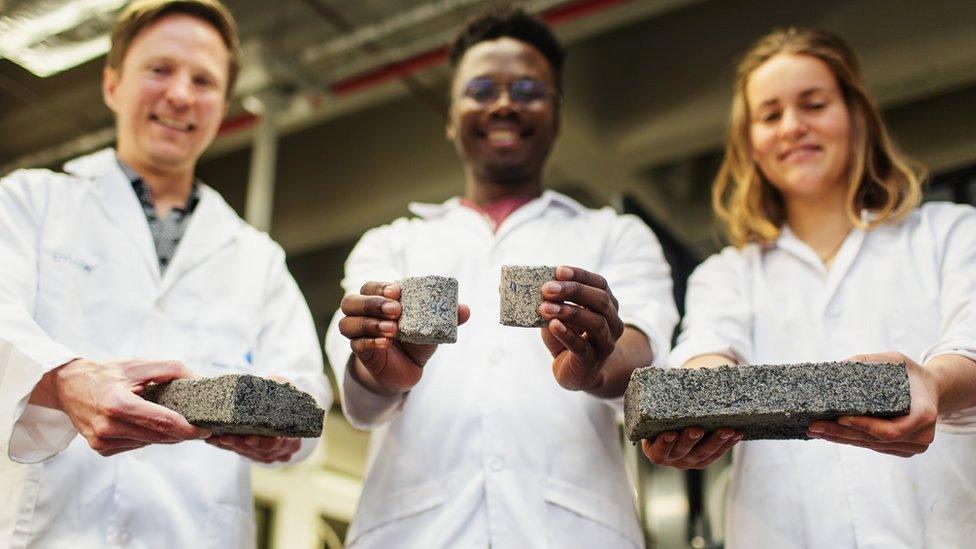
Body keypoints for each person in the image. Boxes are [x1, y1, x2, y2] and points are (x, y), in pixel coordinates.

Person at [325, 7, 677, 548]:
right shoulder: (391, 242)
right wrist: (383, 367)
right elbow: (365, 390)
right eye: (482, 89)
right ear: (451, 115)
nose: (506, 104)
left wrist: (598, 359)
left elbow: (644, 349)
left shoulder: (617, 235)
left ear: (557, 115)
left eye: (530, 90)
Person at [0, 1, 331, 546]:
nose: (180, 94)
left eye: (203, 80)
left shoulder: (257, 259)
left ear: (222, 105)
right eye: (159, 70)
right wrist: (63, 381)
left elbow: (310, 392)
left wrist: (280, 431)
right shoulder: (33, 202)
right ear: (112, 84)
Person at [642, 27, 976, 547]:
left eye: (814, 104)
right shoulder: (727, 273)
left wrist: (935, 381)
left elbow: (970, 342)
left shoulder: (949, 233)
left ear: (855, 115)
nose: (793, 127)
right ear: (750, 142)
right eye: (770, 115)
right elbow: (708, 349)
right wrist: (694, 405)